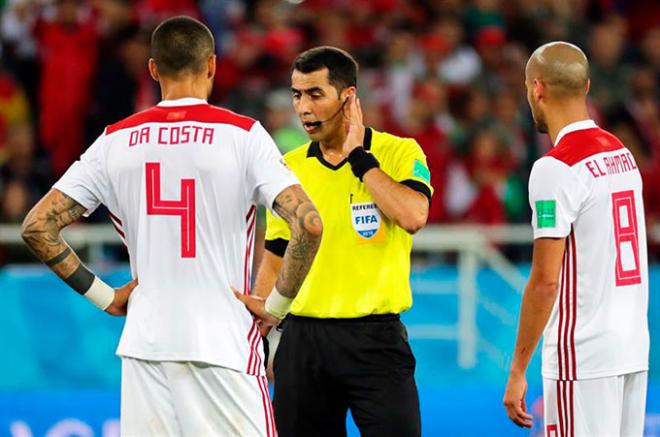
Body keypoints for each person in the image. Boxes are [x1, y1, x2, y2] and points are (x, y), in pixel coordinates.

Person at [20, 16, 322, 436]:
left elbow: (37, 226)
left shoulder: (115, 140)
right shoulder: (242, 134)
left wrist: (106, 296)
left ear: (153, 69)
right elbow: (308, 224)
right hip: (223, 344)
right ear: (212, 66)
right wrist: (275, 308)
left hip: (146, 346)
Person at [251, 46, 432, 437]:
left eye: (315, 94)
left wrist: (360, 160)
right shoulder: (290, 167)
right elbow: (276, 256)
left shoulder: (399, 152)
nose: (303, 108)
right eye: (297, 94)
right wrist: (259, 334)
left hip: (376, 340)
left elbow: (413, 215)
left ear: (348, 98)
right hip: (303, 341)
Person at [503, 42, 649, 436]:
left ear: (537, 89)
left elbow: (546, 279)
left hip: (582, 356)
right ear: (585, 88)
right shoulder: (622, 154)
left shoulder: (556, 168)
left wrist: (518, 369)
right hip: (632, 348)